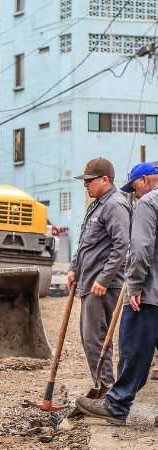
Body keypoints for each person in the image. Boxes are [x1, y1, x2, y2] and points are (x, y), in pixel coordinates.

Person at [76, 163, 158, 425]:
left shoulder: (146, 203)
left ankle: (116, 403)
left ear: (145, 180)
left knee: (132, 348)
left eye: (134, 187)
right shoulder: (98, 205)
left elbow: (137, 247)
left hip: (148, 294)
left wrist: (133, 285)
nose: (134, 194)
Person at [67, 157, 131, 390]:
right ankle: (102, 386)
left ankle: (106, 389)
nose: (86, 185)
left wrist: (104, 279)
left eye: (90, 180)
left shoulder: (115, 205)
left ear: (105, 180)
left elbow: (121, 246)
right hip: (88, 280)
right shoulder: (96, 204)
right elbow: (85, 241)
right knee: (89, 338)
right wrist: (74, 268)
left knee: (96, 338)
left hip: (103, 285)